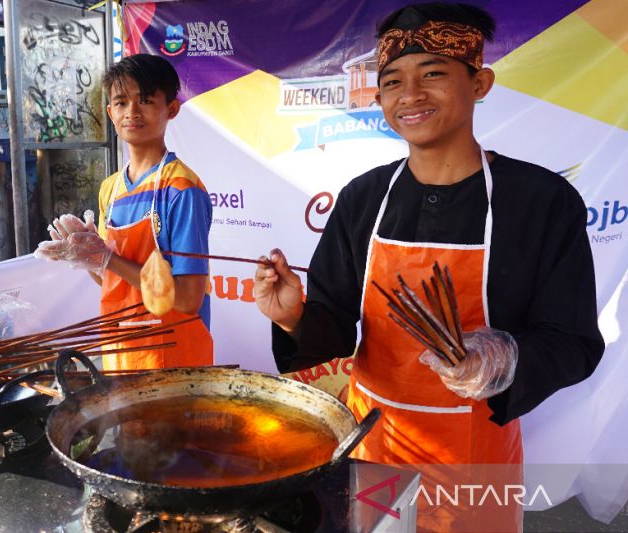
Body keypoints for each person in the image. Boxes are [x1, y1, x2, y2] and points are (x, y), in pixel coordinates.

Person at [253, 3, 604, 531]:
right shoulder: (363, 198)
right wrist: (293, 317)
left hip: (476, 451)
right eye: (392, 82)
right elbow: (333, 323)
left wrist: (500, 360)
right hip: (374, 442)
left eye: (433, 75)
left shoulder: (541, 201)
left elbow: (573, 341)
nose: (409, 96)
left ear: (480, 82)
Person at [35, 54, 213, 371]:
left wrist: (108, 258)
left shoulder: (182, 189)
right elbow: (109, 281)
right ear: (109, 113)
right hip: (124, 350)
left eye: (145, 100)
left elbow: (187, 299)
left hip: (174, 356)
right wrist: (87, 254)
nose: (131, 112)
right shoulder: (111, 189)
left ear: (171, 109)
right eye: (120, 102)